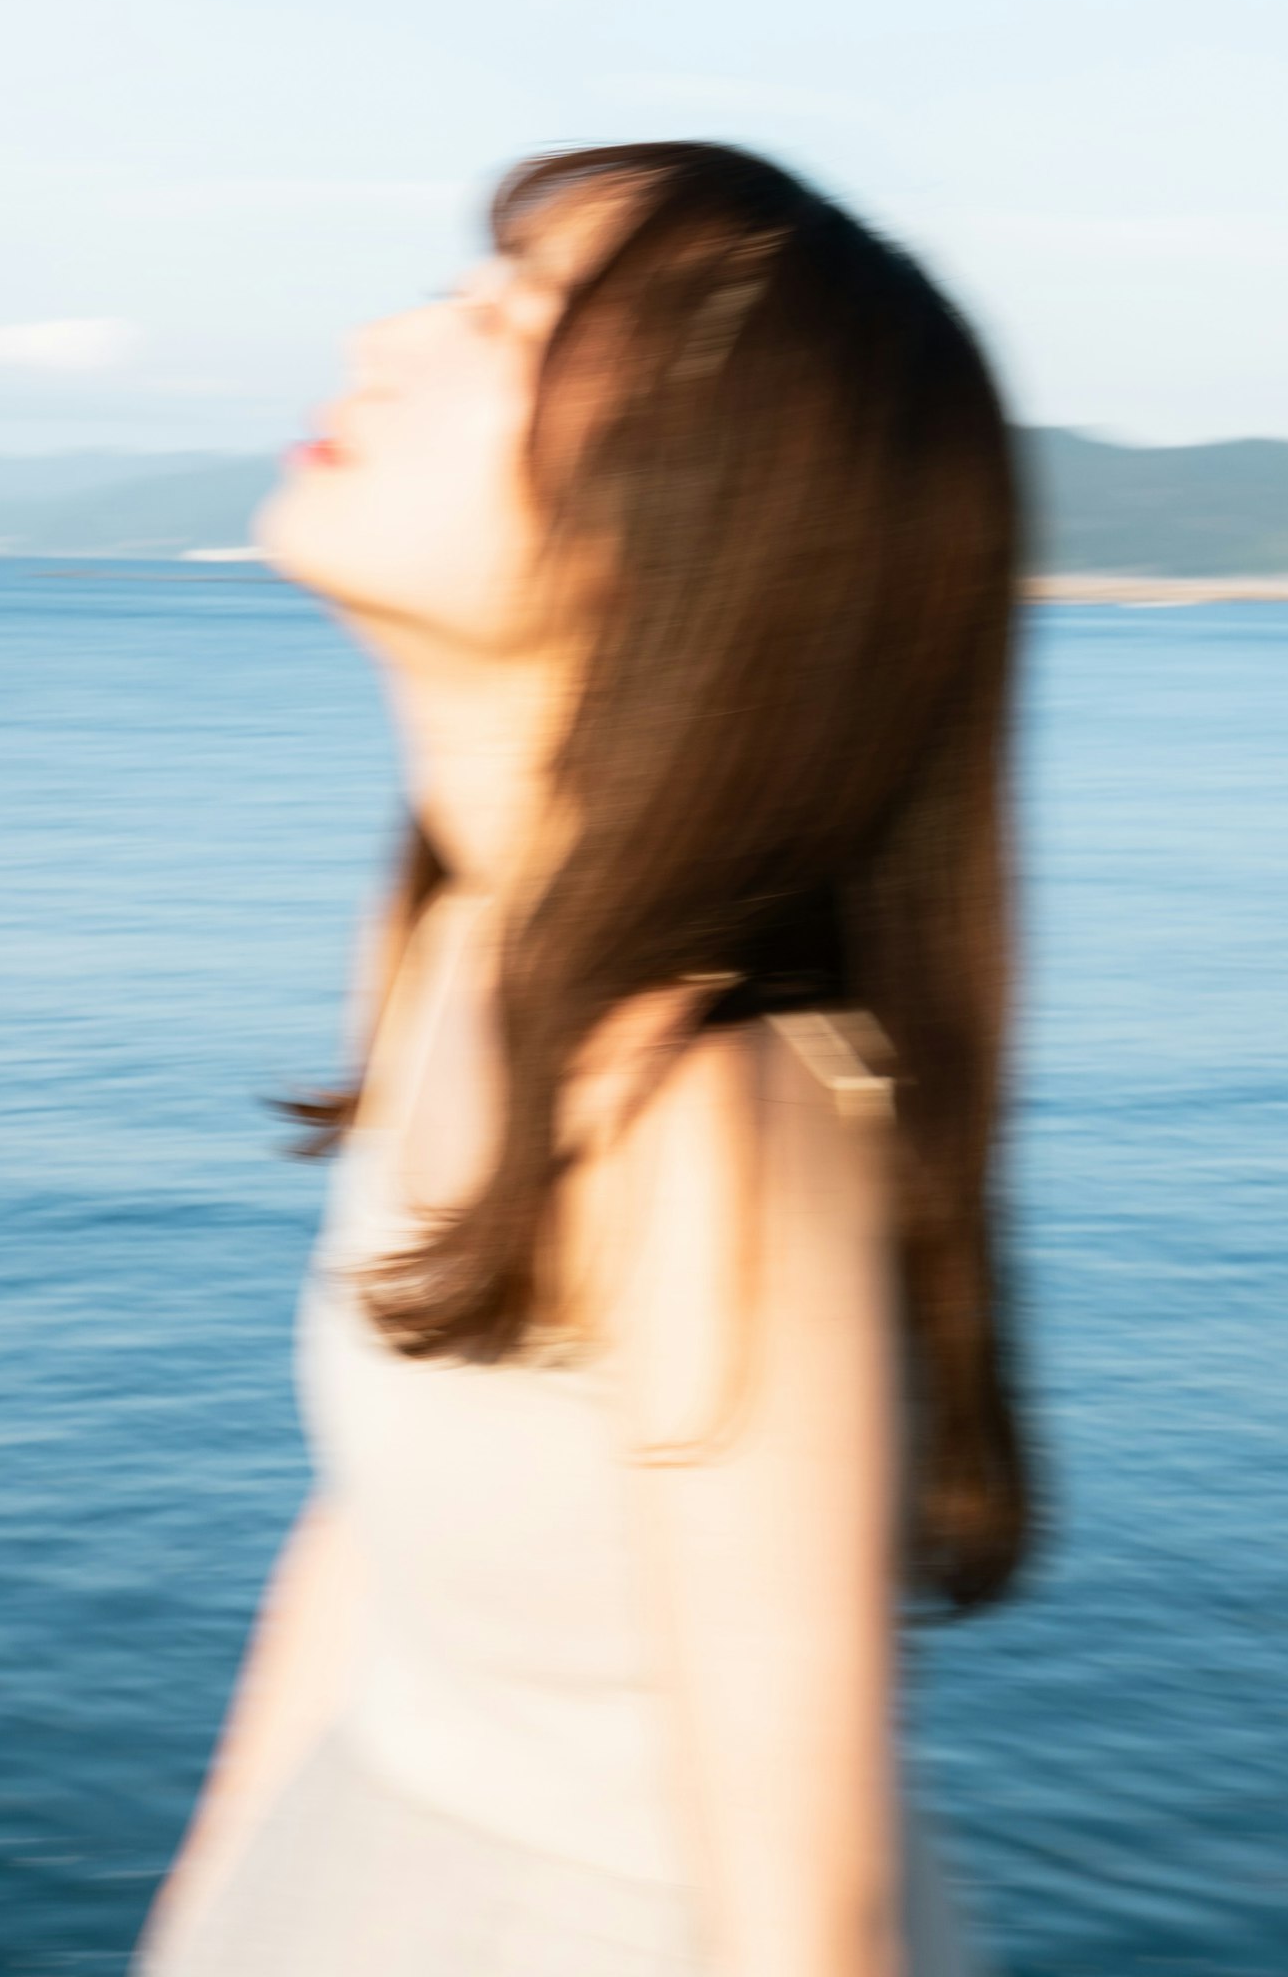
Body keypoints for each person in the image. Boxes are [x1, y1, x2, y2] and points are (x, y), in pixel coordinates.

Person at [138, 143, 1043, 1977]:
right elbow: (377, 1537)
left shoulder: (699, 1112)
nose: (388, 335)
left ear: (687, 519)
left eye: (510, 317)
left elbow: (809, 1921)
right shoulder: (452, 951)